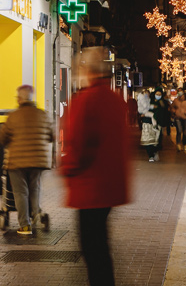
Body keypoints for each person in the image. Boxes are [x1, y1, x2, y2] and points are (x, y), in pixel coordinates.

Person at [61, 47, 130, 286]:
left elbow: (77, 144)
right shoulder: (115, 100)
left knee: (92, 248)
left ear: (87, 70)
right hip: (110, 186)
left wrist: (66, 168)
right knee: (99, 246)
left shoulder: (86, 100)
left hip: (90, 187)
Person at [0, 84, 53, 235]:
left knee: (20, 192)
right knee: (35, 189)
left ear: (20, 98)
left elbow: (3, 137)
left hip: (17, 161)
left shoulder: (13, 116)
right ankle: (37, 215)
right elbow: (51, 135)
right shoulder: (42, 114)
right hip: (38, 160)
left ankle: (25, 225)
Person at [138, 87, 159, 162]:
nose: (146, 95)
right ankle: (151, 155)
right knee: (147, 141)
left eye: (148, 94)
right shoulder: (142, 102)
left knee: (154, 141)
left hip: (154, 124)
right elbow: (140, 111)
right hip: (146, 123)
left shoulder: (153, 102)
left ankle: (153, 153)